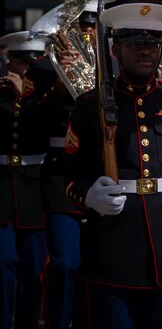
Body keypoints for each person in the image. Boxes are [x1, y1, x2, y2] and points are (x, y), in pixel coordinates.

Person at [64, 3, 162, 327]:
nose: (146, 52)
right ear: (116, 49)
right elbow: (65, 175)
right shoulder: (88, 105)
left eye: (153, 44)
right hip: (110, 251)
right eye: (136, 44)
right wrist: (87, 195)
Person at [41, 0, 115, 329]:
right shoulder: (44, 72)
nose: (85, 34)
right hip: (63, 176)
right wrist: (60, 85)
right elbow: (33, 124)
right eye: (80, 25)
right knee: (66, 264)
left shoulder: (113, 67)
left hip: (104, 170)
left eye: (91, 26)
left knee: (99, 266)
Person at [0, 31, 54, 329]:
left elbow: (46, 125)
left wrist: (25, 97)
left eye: (32, 65)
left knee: (33, 268)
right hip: (4, 188)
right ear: (11, 63)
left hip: (34, 189)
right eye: (21, 63)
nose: (26, 71)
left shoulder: (48, 98)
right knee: (4, 263)